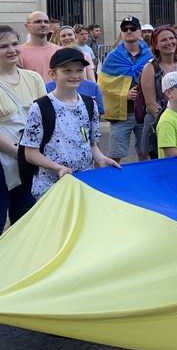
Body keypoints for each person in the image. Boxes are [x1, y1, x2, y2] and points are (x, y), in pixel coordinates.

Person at [22, 48, 120, 200]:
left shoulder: (90, 104)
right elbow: (30, 153)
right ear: (53, 74)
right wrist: (58, 168)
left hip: (83, 185)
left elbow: (91, 144)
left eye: (79, 70)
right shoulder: (40, 107)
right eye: (67, 71)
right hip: (51, 188)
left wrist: (100, 158)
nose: (75, 75)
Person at [0, 25, 46, 224]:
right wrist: (21, 154)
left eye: (15, 44)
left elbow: (45, 116)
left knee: (25, 222)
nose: (11, 50)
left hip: (28, 161)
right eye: (3, 46)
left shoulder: (33, 78)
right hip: (6, 161)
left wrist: (29, 156)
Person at [99, 16, 153, 162]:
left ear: (139, 31)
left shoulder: (150, 55)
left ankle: (144, 176)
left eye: (132, 28)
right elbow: (104, 84)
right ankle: (112, 177)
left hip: (145, 112)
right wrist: (124, 94)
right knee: (115, 154)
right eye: (125, 29)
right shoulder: (113, 57)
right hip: (122, 114)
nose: (129, 31)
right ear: (121, 33)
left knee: (144, 152)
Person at [137, 25, 177, 160]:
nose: (169, 42)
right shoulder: (150, 68)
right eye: (163, 40)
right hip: (158, 123)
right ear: (155, 45)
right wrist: (172, 122)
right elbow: (151, 103)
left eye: (172, 38)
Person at [19, 12, 58, 76]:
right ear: (27, 26)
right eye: (38, 22)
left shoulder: (59, 50)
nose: (43, 25)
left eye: (46, 22)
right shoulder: (19, 52)